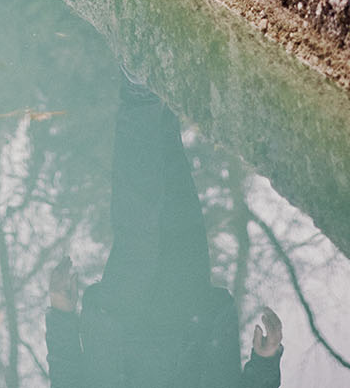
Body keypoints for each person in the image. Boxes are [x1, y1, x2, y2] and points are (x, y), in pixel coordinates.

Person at [45, 75, 284, 387]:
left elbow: (65, 380)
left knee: (137, 219)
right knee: (178, 198)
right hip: (194, 325)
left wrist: (62, 315)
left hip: (123, 328)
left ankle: (139, 90)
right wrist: (265, 364)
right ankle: (162, 83)